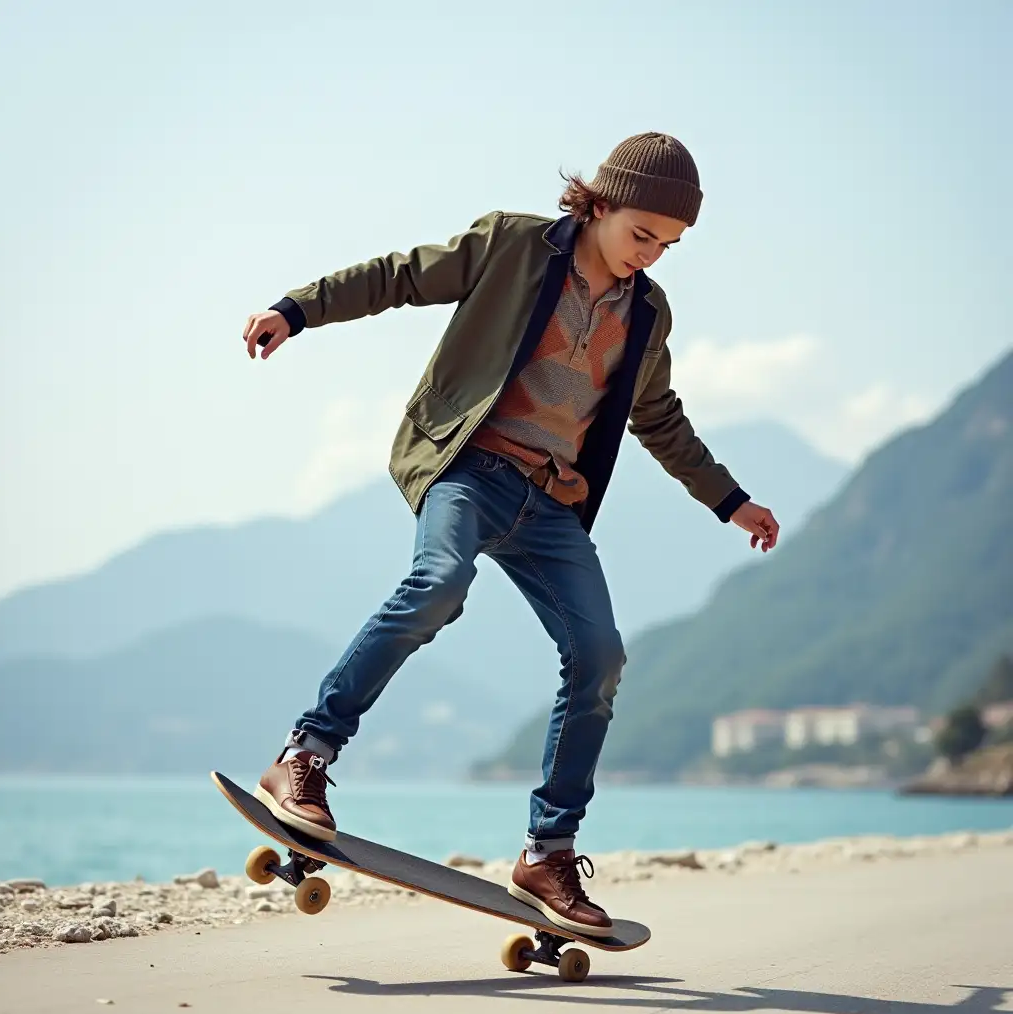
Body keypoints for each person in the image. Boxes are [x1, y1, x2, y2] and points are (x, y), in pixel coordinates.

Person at [240, 132, 779, 938]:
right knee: (438, 585)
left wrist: (729, 500)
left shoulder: (647, 312)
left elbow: (657, 417)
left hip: (550, 505)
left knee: (599, 655)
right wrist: (297, 308)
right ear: (596, 203)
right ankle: (305, 756)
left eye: (670, 245)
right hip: (467, 468)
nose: (652, 256)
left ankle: (547, 852)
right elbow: (398, 276)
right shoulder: (513, 246)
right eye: (641, 234)